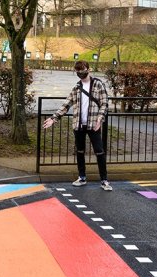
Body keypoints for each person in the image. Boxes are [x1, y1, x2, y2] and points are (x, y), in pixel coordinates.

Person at [42, 61, 112, 191]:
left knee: (99, 151)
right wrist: (53, 118)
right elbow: (66, 105)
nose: (80, 72)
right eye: (78, 70)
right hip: (79, 125)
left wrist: (100, 119)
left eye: (82, 69)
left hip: (93, 125)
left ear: (88, 69)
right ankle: (82, 177)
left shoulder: (98, 84)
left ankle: (104, 180)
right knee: (80, 151)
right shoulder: (76, 87)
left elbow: (104, 103)